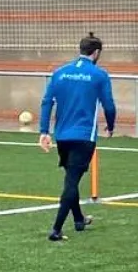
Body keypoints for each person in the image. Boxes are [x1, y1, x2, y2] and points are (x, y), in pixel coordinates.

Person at [38, 33, 116, 242]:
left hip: (62, 135)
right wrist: (110, 126)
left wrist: (44, 131)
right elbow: (109, 105)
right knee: (71, 182)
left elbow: (47, 102)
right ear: (96, 53)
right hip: (84, 136)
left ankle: (79, 219)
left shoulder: (60, 72)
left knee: (70, 178)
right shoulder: (99, 75)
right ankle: (56, 229)